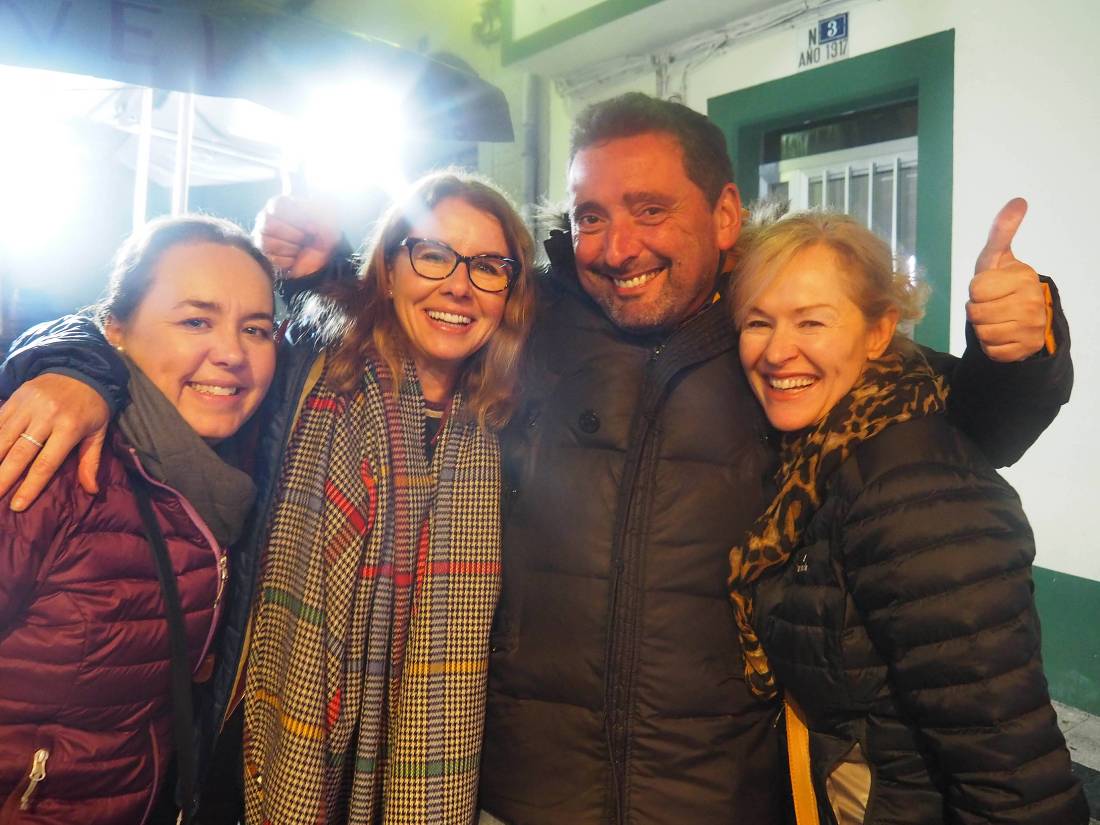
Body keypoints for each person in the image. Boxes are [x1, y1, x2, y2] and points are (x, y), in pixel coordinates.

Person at [0, 95, 1072, 824]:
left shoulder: (775, 343)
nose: (617, 244)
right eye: (592, 215)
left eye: (651, 210)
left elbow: (960, 423)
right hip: (516, 788)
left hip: (711, 795)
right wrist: (70, 365)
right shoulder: (527, 321)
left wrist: (1018, 349)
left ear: (725, 215)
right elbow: (190, 337)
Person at [0, 170, 536, 825]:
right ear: (389, 270)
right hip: (255, 743)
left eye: (488, 265)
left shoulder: (516, 424)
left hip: (420, 762)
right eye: (432, 253)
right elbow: (133, 337)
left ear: (511, 289)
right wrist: (73, 372)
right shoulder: (306, 368)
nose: (458, 281)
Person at [727, 211, 1087, 824]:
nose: (778, 349)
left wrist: (1023, 340)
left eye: (811, 320)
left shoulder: (911, 486)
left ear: (878, 331)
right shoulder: (816, 453)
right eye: (757, 322)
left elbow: (1009, 765)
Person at [0, 215, 277, 823]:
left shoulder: (219, 483)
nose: (231, 353)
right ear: (115, 331)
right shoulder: (46, 463)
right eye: (195, 320)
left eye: (255, 328)